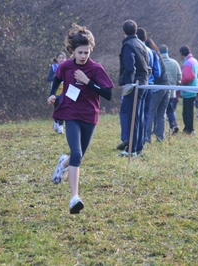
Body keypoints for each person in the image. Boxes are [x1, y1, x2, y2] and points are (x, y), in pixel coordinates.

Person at [47, 23, 113, 214]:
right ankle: (74, 198)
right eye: (80, 52)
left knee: (78, 156)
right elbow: (57, 78)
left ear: (91, 50)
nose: (83, 56)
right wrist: (52, 95)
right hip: (71, 113)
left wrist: (87, 82)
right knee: (76, 154)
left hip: (89, 116)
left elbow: (107, 94)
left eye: (86, 52)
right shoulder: (66, 66)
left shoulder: (96, 69)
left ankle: (62, 164)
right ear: (72, 51)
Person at [117, 20, 150, 156]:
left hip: (134, 84)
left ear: (123, 32)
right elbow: (148, 66)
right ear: (136, 31)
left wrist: (128, 85)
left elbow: (130, 67)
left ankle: (131, 150)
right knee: (139, 117)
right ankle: (139, 147)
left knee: (132, 118)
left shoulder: (128, 45)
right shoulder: (141, 45)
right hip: (144, 83)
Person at [135, 28, 162, 144]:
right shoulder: (152, 52)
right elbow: (158, 73)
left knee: (136, 114)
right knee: (147, 113)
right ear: (145, 39)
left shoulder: (133, 49)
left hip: (137, 86)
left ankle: (134, 139)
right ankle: (145, 138)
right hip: (149, 86)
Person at [144, 37, 170, 142]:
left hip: (157, 87)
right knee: (161, 114)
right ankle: (160, 137)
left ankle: (147, 137)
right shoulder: (157, 54)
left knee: (150, 112)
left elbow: (155, 73)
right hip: (166, 86)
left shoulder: (150, 55)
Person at [159, 44, 181, 135]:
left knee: (160, 111)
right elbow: (179, 77)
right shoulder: (175, 63)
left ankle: (159, 130)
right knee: (170, 109)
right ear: (167, 52)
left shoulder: (159, 62)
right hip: (172, 91)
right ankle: (174, 125)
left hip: (160, 90)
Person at [179, 45, 198, 135]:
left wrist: (181, 81)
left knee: (186, 112)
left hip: (188, 90)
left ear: (182, 53)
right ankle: (189, 128)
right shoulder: (195, 61)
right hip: (195, 88)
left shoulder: (187, 63)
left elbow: (188, 77)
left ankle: (188, 129)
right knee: (190, 111)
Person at [46, 52, 67, 134]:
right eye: (60, 58)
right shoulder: (54, 67)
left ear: (65, 59)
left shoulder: (67, 67)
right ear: (57, 59)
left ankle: (61, 127)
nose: (61, 59)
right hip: (55, 90)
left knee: (63, 106)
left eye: (63, 58)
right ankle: (55, 122)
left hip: (64, 90)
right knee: (57, 107)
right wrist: (57, 78)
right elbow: (48, 78)